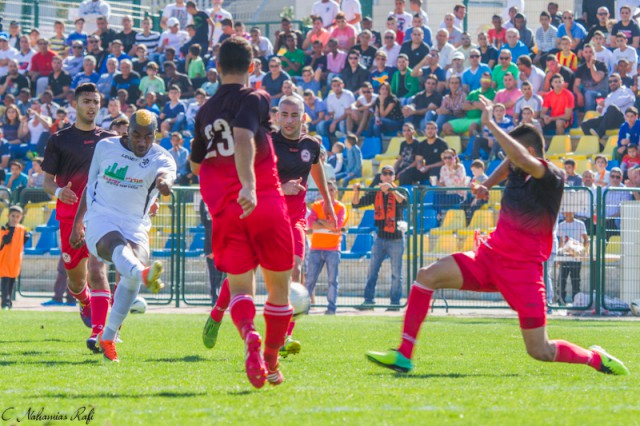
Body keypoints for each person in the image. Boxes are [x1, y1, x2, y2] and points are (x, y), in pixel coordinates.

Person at [366, 95, 630, 376]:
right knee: (426, 276)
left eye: (514, 154)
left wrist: (491, 123)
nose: (509, 161)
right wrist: (487, 185)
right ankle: (404, 355)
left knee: (540, 350)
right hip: (488, 259)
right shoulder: (517, 168)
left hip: (523, 272)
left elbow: (520, 158)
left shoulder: (551, 176)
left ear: (529, 151)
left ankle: (595, 358)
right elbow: (512, 161)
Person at [191, 37, 296, 388]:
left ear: (217, 68)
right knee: (279, 289)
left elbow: (195, 164)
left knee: (240, 290)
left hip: (226, 211)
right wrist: (248, 185)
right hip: (263, 200)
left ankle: (250, 334)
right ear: (252, 67)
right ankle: (270, 360)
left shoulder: (204, 112)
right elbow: (241, 135)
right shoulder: (256, 97)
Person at [70, 109, 175, 362]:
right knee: (117, 245)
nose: (142, 142)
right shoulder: (105, 147)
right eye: (136, 135)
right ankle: (142, 273)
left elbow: (167, 174)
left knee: (131, 273)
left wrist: (165, 184)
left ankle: (108, 336)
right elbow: (90, 186)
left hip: (136, 224)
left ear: (155, 135)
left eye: (148, 137)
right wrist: (77, 224)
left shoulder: (163, 157)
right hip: (101, 217)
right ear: (127, 131)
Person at [41, 83, 117, 352]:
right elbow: (47, 181)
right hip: (68, 218)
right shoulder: (59, 139)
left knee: (97, 271)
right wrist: (59, 191)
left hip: (100, 216)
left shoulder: (110, 140)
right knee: (76, 281)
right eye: (86, 101)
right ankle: (84, 300)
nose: (92, 106)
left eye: (95, 101)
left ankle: (100, 333)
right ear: (75, 104)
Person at [353, 165, 407, 310]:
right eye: (385, 173)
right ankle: (368, 301)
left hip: (396, 239)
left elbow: (404, 202)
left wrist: (391, 189)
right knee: (372, 271)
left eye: (390, 174)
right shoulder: (375, 192)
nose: (388, 176)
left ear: (394, 177)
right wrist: (356, 191)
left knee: (396, 274)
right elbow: (356, 204)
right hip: (380, 238)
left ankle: (395, 303)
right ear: (381, 177)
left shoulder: (400, 190)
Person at [305, 179, 347, 315]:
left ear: (336, 191)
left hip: (333, 249)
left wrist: (320, 221)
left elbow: (337, 226)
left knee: (332, 281)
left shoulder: (340, 207)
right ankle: (305, 307)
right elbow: (311, 224)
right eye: (326, 190)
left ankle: (331, 308)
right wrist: (328, 223)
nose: (329, 193)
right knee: (310, 280)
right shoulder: (316, 205)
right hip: (316, 248)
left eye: (331, 190)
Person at [581, 74, 635, 138]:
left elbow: (622, 101)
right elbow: (602, 107)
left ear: (620, 81)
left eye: (615, 81)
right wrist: (599, 109)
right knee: (585, 124)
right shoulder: (610, 95)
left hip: (621, 120)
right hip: (607, 120)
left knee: (612, 108)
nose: (612, 83)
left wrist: (606, 103)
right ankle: (598, 143)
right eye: (610, 82)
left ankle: (599, 132)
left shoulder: (627, 91)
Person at [0, 206, 30, 310]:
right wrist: (11, 229)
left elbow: (22, 241)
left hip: (15, 260)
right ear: (8, 216)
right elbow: (6, 241)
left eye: (18, 217)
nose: (15, 219)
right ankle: (5, 303)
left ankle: (9, 303)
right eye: (13, 216)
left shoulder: (22, 229)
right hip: (4, 260)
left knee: (12, 282)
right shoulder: (3, 229)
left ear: (21, 217)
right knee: (5, 282)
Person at [557, 211, 588, 305]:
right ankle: (561, 300)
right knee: (562, 279)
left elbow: (586, 239)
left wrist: (583, 252)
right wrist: (559, 257)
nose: (568, 213)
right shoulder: (561, 225)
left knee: (575, 280)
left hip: (576, 257)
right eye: (566, 212)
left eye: (570, 211)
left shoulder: (580, 224)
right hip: (564, 256)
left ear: (573, 212)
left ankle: (576, 301)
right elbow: (561, 242)